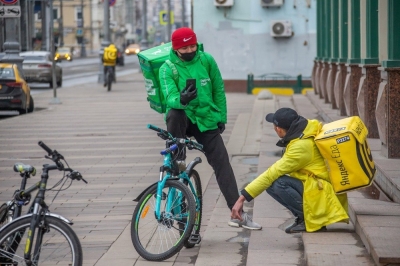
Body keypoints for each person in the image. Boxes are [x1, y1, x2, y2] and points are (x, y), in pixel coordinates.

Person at [158, 27, 261, 230]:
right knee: (174, 113)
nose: (189, 50)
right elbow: (169, 98)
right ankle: (177, 161)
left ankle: (237, 213)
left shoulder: (207, 60)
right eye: (184, 47)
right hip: (182, 120)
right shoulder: (167, 68)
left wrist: (221, 118)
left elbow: (218, 90)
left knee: (222, 163)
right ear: (176, 48)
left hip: (205, 119)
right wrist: (182, 99)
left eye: (192, 46)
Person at [231, 108, 349, 233]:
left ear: (279, 129)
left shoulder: (300, 147)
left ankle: (309, 218)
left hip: (322, 193)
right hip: (321, 187)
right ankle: (303, 217)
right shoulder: (306, 129)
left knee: (278, 183)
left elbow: (272, 173)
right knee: (273, 183)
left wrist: (241, 198)